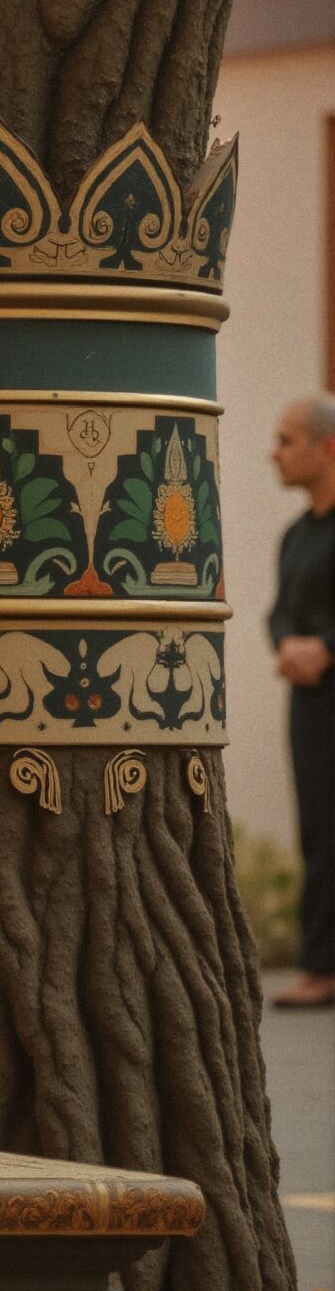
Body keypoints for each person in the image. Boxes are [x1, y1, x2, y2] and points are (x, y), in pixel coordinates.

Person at [267, 396, 335, 1009]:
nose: (275, 453)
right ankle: (322, 965)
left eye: (287, 440)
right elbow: (281, 611)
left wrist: (328, 648)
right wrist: (288, 644)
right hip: (313, 710)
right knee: (321, 829)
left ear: (327, 448)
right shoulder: (295, 537)